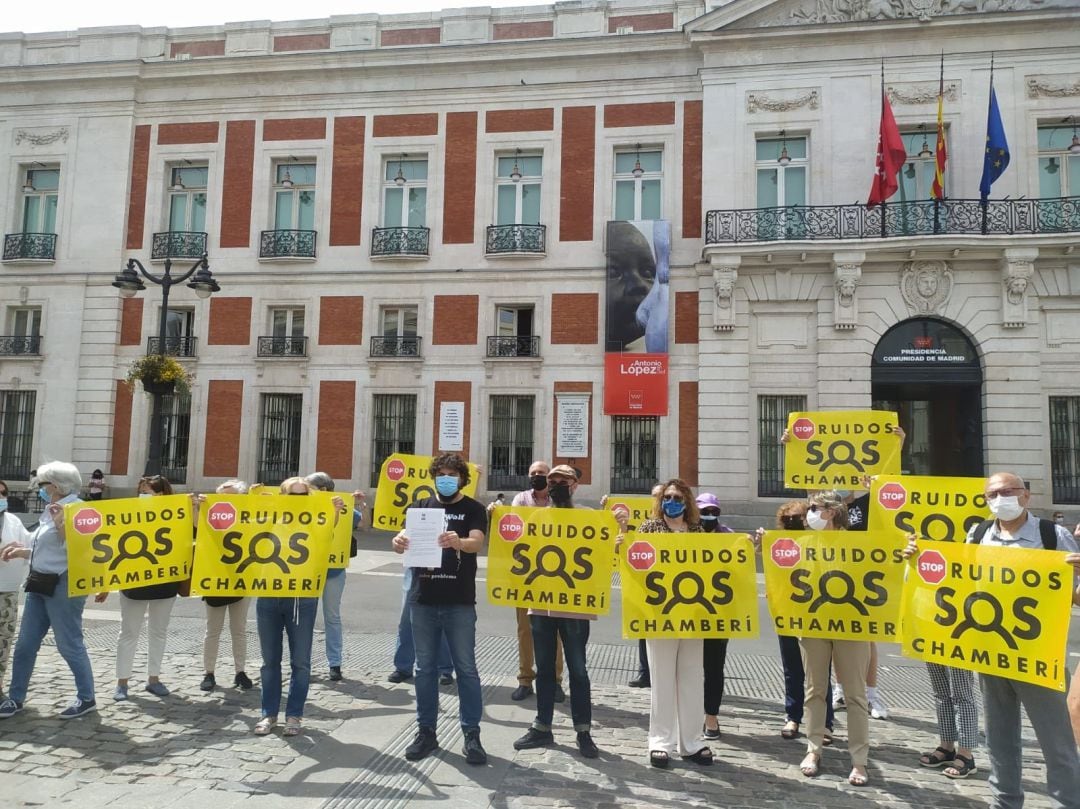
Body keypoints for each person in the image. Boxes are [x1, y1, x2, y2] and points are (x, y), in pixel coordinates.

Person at [965, 472, 1080, 807]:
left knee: (1055, 740)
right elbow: (959, 579)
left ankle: (1068, 801)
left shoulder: (1052, 534)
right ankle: (1005, 800)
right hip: (991, 650)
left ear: (1025, 496)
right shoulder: (979, 533)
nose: (1000, 499)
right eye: (991, 494)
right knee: (999, 738)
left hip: (1038, 653)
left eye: (1007, 491)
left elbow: (1075, 594)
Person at [392, 453, 488, 765]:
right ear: (433, 476)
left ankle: (471, 734)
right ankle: (426, 732)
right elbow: (404, 538)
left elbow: (477, 543)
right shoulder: (420, 507)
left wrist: (458, 542)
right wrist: (399, 541)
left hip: (459, 600)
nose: (446, 478)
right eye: (441, 473)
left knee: (467, 669)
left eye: (452, 474)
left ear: (462, 478)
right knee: (424, 669)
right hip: (423, 599)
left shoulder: (472, 509)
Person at [513, 464, 599, 759]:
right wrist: (496, 517)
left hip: (576, 608)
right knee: (545, 668)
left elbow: (607, 553)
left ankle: (583, 731)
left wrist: (620, 528)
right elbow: (515, 547)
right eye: (552, 481)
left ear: (575, 485)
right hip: (540, 604)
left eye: (564, 480)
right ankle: (542, 726)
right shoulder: (535, 517)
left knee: (578, 669)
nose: (557, 484)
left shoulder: (589, 518)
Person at [0, 462, 97, 719]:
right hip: (39, 583)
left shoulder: (79, 509)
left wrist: (62, 525)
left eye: (42, 484)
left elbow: (84, 550)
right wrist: (23, 551)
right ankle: (15, 698)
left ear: (54, 485)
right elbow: (46, 548)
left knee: (69, 643)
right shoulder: (51, 509)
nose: (39, 488)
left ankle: (87, 697)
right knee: (25, 644)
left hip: (64, 584)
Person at [254, 477, 343, 737]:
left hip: (302, 597)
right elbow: (241, 526)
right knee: (270, 661)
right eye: (292, 496)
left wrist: (334, 512)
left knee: (301, 661)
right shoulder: (269, 518)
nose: (297, 501)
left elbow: (327, 531)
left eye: (303, 496)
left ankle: (294, 715)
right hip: (269, 594)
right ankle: (268, 714)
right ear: (282, 497)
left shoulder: (315, 520)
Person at [638, 478, 713, 768]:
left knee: (693, 678)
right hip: (660, 614)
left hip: (693, 613)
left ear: (687, 502)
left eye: (678, 498)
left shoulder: (697, 530)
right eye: (668, 497)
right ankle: (660, 742)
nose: (672, 502)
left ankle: (692, 742)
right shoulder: (649, 528)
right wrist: (623, 543)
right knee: (662, 678)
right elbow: (638, 565)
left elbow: (711, 565)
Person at [798, 490, 871, 787]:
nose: (809, 514)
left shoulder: (861, 543)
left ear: (831, 512)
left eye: (814, 508)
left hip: (852, 626)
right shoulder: (804, 543)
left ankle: (859, 760)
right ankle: (813, 750)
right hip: (813, 623)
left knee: (855, 694)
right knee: (814, 690)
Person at [97, 475, 180, 700]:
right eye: (142, 491)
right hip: (133, 584)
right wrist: (106, 583)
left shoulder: (176, 517)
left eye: (149, 491)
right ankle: (122, 682)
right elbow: (114, 548)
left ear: (163, 494)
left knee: (158, 632)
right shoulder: (129, 515)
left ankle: (154, 678)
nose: (144, 495)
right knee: (128, 632)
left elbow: (191, 538)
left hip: (164, 584)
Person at [764, 501, 835, 744]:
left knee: (820, 671)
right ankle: (793, 716)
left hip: (817, 612)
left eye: (799, 517)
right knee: (792, 668)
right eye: (788, 519)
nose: (794, 521)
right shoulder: (777, 544)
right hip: (787, 611)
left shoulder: (822, 542)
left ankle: (825, 723)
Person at [505, 460, 565, 703]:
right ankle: (525, 679)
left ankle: (555, 681)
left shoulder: (559, 500)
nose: (537, 476)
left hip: (555, 574)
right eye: (533, 473)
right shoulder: (520, 499)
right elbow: (514, 527)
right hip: (527, 574)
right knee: (525, 629)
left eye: (541, 473)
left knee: (556, 632)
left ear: (549, 476)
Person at [305, 471, 365, 682]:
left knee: (332, 617)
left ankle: (335, 663)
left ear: (322, 490)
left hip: (333, 572)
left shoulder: (345, 507)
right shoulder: (303, 506)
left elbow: (361, 523)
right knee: (305, 619)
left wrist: (357, 504)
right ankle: (303, 662)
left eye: (309, 487)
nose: (306, 491)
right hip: (308, 571)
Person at [199, 479, 253, 692]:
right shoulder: (209, 515)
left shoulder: (250, 518)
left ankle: (240, 671)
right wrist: (198, 508)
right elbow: (195, 526)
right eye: (221, 496)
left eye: (231, 496)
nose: (225, 501)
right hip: (215, 579)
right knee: (213, 630)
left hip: (241, 579)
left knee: (239, 629)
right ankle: (209, 672)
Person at [696, 492, 733, 740]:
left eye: (713, 512)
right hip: (687, 612)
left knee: (714, 667)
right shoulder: (685, 535)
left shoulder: (729, 536)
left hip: (718, 613)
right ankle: (688, 714)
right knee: (687, 669)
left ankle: (711, 716)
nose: (708, 516)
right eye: (704, 511)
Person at [629, 481, 665, 688]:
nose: (657, 500)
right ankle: (645, 673)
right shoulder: (647, 525)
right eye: (655, 496)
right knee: (645, 628)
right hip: (650, 584)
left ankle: (662, 675)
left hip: (672, 586)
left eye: (661, 496)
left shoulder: (684, 523)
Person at [0, 480, 31, 700]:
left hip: (7, 590)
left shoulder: (13, 521)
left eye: (2, 493)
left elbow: (30, 549)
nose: (1, 497)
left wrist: (22, 550)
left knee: (3, 639)